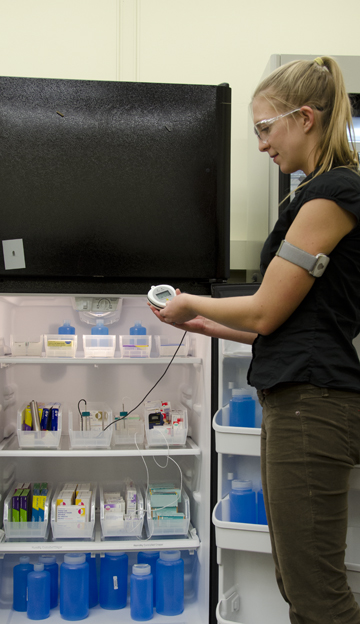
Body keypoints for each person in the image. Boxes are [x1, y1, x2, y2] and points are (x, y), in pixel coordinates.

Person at [149, 56, 360, 624]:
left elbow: (266, 311)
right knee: (296, 580)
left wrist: (194, 300)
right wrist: (198, 324)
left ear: (306, 117)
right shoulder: (305, 197)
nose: (262, 143)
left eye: (265, 128)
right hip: (292, 399)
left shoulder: (334, 196)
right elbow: (275, 319)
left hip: (314, 405)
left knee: (317, 592)